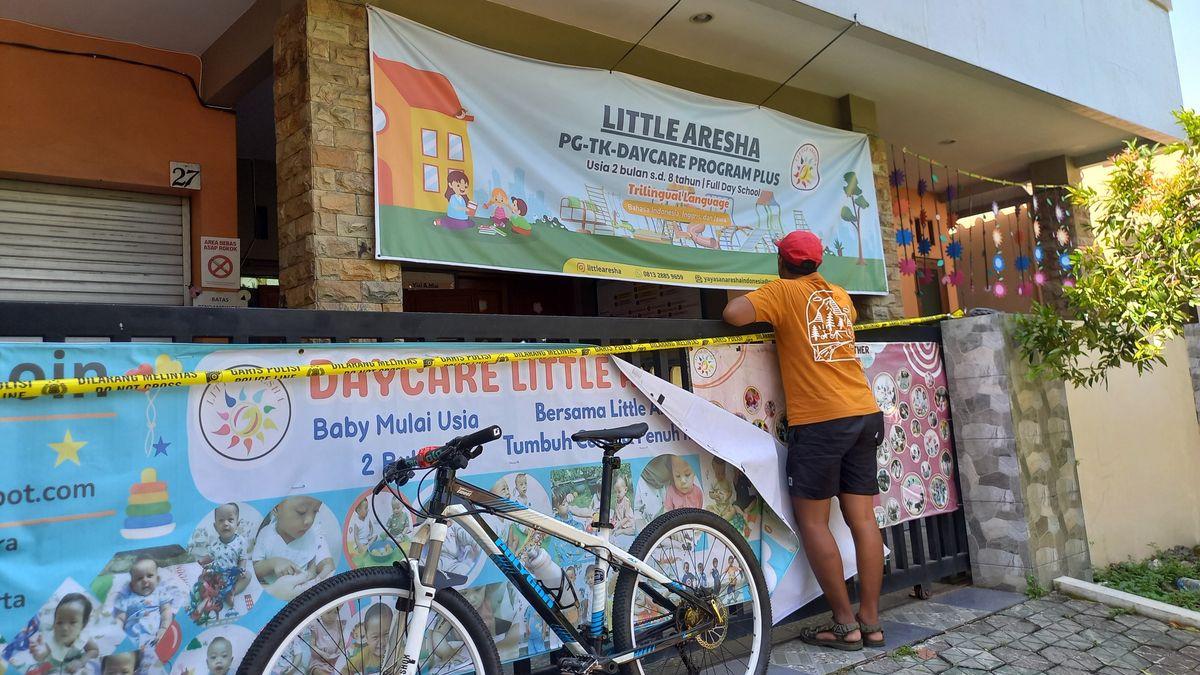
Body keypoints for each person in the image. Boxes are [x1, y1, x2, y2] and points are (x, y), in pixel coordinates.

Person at [723, 230, 885, 651]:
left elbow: (733, 314)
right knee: (863, 520)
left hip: (821, 421)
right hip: (863, 411)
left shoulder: (782, 292)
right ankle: (872, 622)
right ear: (817, 263)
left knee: (813, 522)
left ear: (782, 262)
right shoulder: (839, 295)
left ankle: (845, 624)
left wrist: (763, 293)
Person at [252, 496, 335, 600]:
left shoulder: (310, 535)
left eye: (315, 511)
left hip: (301, 598)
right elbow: (255, 569)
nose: (309, 520)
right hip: (272, 599)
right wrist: (273, 563)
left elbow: (311, 565)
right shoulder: (266, 535)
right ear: (275, 509)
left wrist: (313, 577)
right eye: (301, 512)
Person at [111, 558, 178, 650]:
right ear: (132, 584)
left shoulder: (159, 593)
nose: (145, 580)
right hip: (130, 639)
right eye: (139, 578)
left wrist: (164, 628)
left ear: (157, 579)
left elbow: (166, 610)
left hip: (154, 637)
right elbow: (120, 618)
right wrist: (118, 634)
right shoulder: (127, 598)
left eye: (149, 576)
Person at [30, 593, 99, 673]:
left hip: (75, 664)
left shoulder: (83, 637)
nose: (64, 628)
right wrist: (37, 653)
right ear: (54, 623)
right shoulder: (52, 639)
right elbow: (41, 656)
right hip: (55, 665)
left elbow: (94, 650)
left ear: (83, 625)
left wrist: (81, 661)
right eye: (59, 622)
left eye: (72, 622)